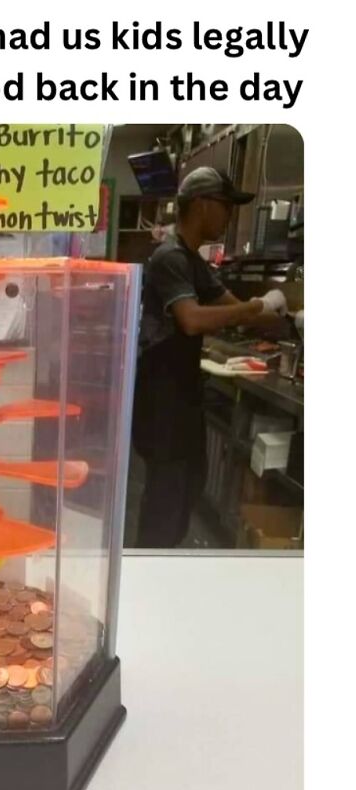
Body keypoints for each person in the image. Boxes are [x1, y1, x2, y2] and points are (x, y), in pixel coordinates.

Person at [132, 167, 287, 548]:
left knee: (187, 491)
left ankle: (164, 576)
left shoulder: (193, 262)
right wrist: (256, 305)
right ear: (202, 205)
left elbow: (237, 309)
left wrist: (285, 315)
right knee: (164, 508)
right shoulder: (169, 257)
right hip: (162, 406)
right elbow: (191, 319)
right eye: (226, 207)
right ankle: (148, 586)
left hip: (183, 402)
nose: (230, 216)